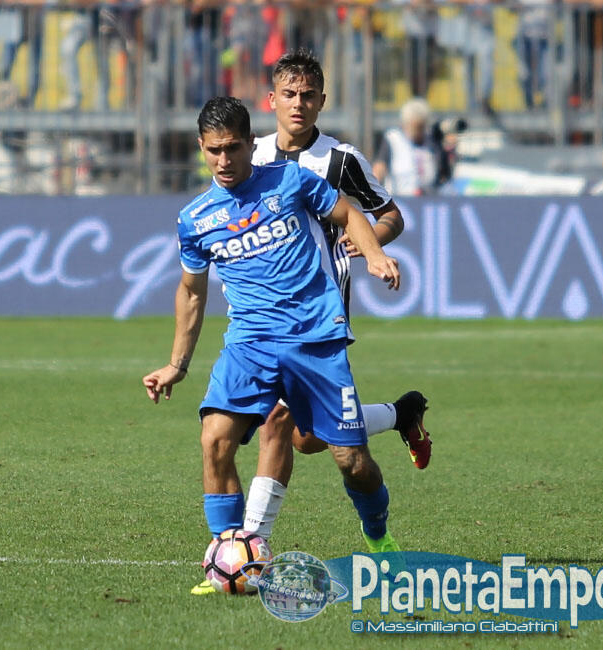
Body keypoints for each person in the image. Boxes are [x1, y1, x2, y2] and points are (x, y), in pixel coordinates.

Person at [142, 97, 403, 594]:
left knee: (351, 461)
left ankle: (378, 534)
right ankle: (228, 559)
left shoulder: (289, 180)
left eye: (232, 148)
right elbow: (192, 292)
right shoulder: (195, 218)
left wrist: (373, 254)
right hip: (250, 343)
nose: (223, 160)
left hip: (314, 337)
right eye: (213, 150)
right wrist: (177, 363)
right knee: (215, 439)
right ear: (201, 147)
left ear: (250, 143)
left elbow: (348, 214)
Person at [241, 50, 432, 565]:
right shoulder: (251, 156)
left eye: (308, 95)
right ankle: (248, 551)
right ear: (272, 99)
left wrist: (371, 244)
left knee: (319, 443)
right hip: (266, 313)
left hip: (320, 314)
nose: (298, 104)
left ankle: (371, 537)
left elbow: (390, 215)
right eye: (289, 94)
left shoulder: (340, 160)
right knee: (292, 430)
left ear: (322, 101)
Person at [373, 97, 446, 196]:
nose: (418, 131)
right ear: (405, 124)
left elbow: (442, 173)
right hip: (400, 197)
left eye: (421, 127)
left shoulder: (432, 141)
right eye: (415, 127)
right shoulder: (393, 139)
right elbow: (380, 166)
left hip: (428, 198)